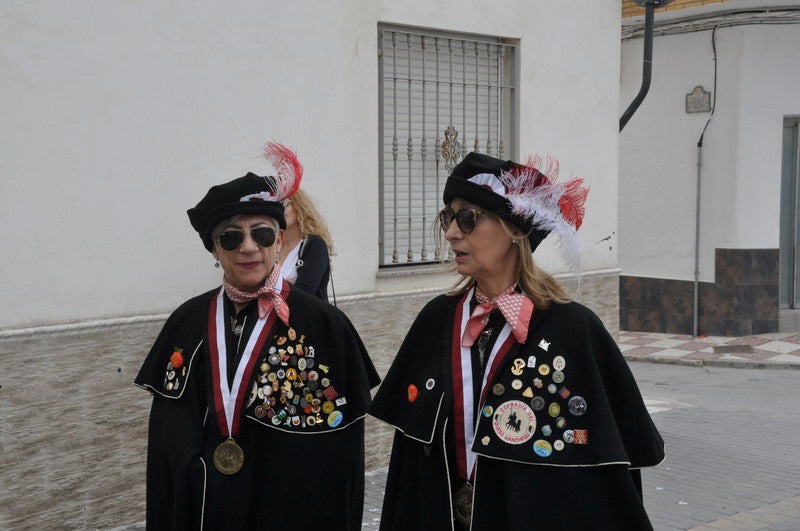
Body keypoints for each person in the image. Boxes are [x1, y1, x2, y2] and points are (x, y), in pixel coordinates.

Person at [369, 152, 665, 530]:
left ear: (515, 229)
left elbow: (599, 484)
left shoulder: (572, 330)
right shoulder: (437, 319)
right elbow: (408, 466)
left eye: (467, 218)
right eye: (448, 217)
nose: (452, 233)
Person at [134, 142, 380, 530]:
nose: (248, 247)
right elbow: (166, 447)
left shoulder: (324, 326)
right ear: (215, 250)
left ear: (279, 240)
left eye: (262, 234)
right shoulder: (186, 322)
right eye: (231, 237)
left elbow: (341, 461)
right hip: (208, 511)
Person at [279, 188, 334, 301]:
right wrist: (290, 284)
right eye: (274, 206)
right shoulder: (272, 246)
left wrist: (271, 287)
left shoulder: (315, 245)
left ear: (299, 207)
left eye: (283, 204)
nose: (278, 211)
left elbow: (304, 295)